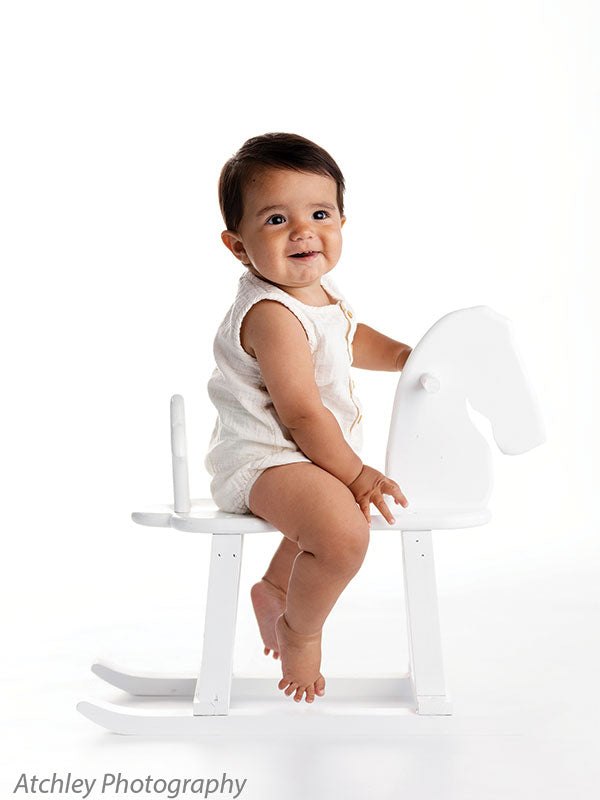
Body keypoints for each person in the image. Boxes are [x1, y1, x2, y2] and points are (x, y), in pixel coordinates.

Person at [205, 132, 412, 705]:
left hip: (300, 456)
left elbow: (346, 338)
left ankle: (275, 589)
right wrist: (358, 473)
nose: (303, 231)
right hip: (264, 458)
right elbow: (299, 412)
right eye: (275, 219)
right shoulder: (271, 311)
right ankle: (302, 629)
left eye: (320, 213)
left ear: (342, 221)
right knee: (344, 533)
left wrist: (401, 356)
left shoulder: (317, 293)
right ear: (239, 245)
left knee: (332, 511)